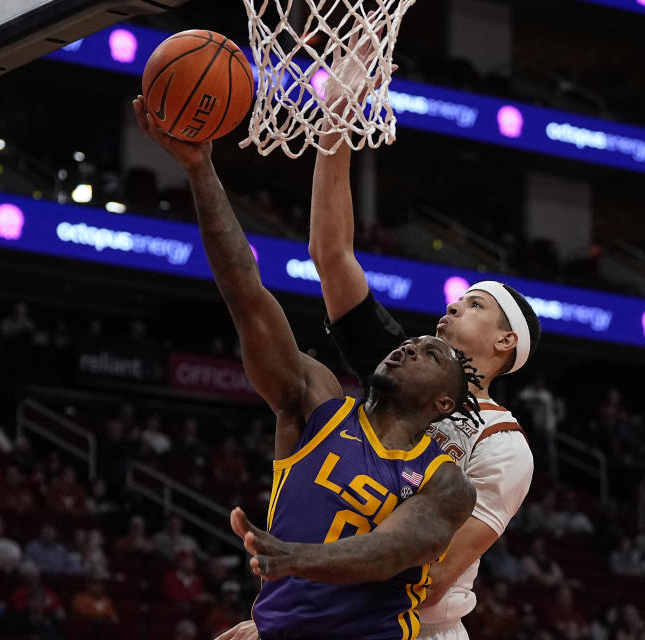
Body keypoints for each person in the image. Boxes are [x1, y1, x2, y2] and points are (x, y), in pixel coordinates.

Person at [220, 37, 539, 640]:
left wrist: (292, 622)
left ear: (504, 344)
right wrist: (337, 120)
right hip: (328, 606)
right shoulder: (400, 372)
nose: (452, 306)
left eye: (474, 304)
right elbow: (331, 254)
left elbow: (435, 575)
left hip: (411, 624)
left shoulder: (504, 448)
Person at [135, 97, 478, 639]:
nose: (411, 348)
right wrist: (201, 171)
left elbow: (389, 552)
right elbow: (246, 293)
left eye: (430, 354)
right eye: (410, 343)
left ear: (444, 403)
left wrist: (295, 558)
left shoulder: (447, 480)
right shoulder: (314, 402)